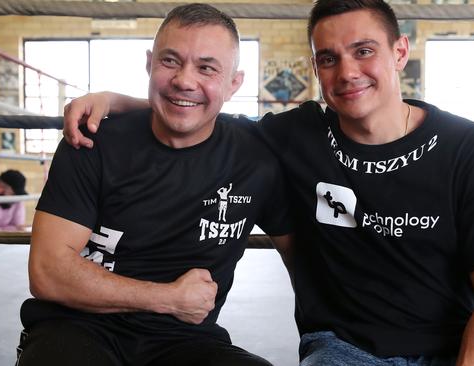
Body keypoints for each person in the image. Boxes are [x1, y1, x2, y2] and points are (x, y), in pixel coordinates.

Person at [63, 1, 474, 365]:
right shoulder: (290, 136)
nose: (347, 72)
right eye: (328, 58)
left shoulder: (471, 147)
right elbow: (197, 111)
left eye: (364, 51)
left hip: (462, 346)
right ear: (315, 68)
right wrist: (116, 100)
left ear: (400, 52)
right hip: (345, 349)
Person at [17, 4, 293, 366]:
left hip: (184, 340)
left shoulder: (257, 155)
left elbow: (306, 259)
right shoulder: (93, 140)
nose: (185, 80)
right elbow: (48, 273)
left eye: (207, 68)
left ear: (234, 82)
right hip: (76, 327)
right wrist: (169, 298)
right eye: (170, 61)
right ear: (149, 63)